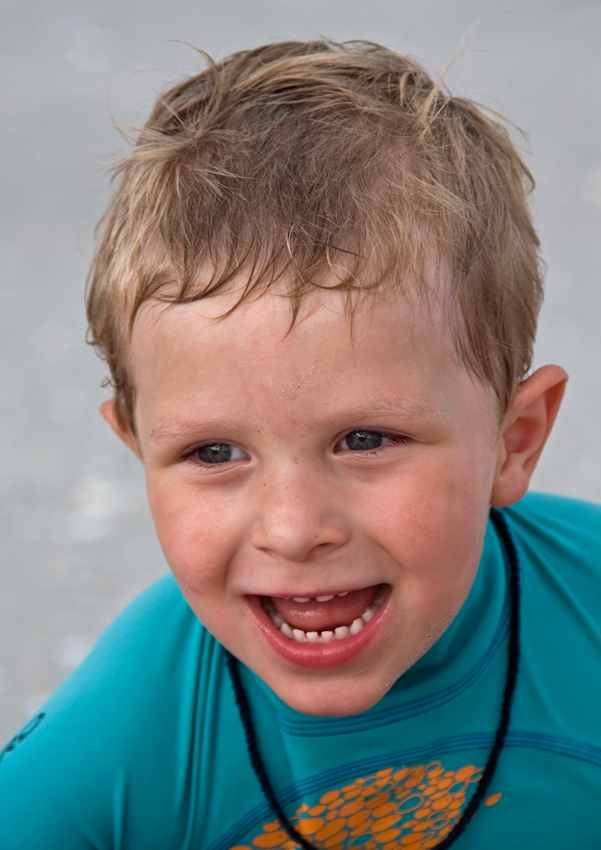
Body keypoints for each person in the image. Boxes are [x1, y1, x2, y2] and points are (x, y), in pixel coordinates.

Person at [1, 39, 600, 850]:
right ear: (137, 449)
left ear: (512, 441)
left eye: (364, 439)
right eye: (214, 454)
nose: (290, 528)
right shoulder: (122, 743)